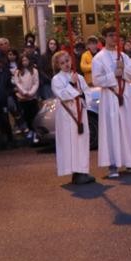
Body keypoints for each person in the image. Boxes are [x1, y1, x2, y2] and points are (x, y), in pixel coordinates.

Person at [92, 27, 131, 178]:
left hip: (125, 95)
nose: (114, 38)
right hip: (110, 96)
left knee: (127, 128)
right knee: (111, 129)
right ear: (104, 37)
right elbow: (96, 80)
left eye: (116, 35)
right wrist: (113, 74)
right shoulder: (99, 58)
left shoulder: (123, 56)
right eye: (110, 35)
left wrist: (123, 71)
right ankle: (113, 164)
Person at [50, 51, 95, 184]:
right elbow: (62, 95)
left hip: (80, 112)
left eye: (67, 61)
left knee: (81, 141)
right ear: (58, 65)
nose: (66, 65)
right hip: (67, 116)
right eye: (62, 63)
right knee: (71, 142)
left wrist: (81, 95)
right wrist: (71, 84)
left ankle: (82, 171)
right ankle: (76, 172)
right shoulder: (56, 79)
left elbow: (87, 92)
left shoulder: (79, 77)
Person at [13, 54, 40, 144]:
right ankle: (30, 130)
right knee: (26, 115)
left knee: (34, 114)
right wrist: (24, 92)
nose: (25, 62)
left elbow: (36, 83)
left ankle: (36, 132)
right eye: (23, 60)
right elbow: (18, 83)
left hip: (32, 97)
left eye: (26, 60)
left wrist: (31, 92)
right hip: (23, 97)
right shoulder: (17, 72)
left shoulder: (34, 71)